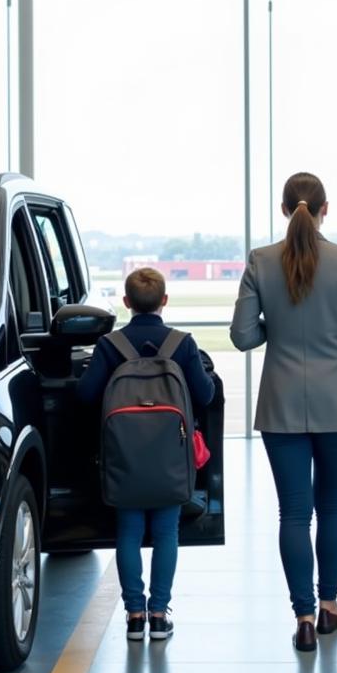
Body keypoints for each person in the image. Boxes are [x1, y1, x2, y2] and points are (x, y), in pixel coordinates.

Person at [230, 172, 337, 653]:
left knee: (293, 512)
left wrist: (275, 327)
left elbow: (242, 336)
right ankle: (330, 605)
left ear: (283, 209)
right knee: (331, 504)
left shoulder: (260, 261)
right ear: (325, 209)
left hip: (280, 404)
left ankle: (302, 618)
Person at [78, 267, 215, 642]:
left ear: (126, 303)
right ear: (164, 301)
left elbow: (86, 395)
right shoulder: (182, 345)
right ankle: (159, 614)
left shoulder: (111, 345)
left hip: (124, 457)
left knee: (129, 531)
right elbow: (204, 396)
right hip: (171, 459)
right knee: (167, 532)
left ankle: (134, 615)